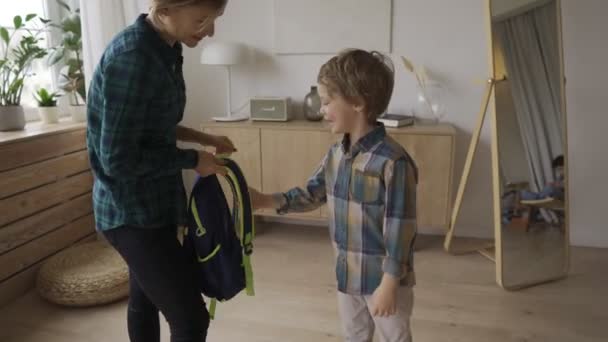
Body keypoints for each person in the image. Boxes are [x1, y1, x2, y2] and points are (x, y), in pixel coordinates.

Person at [86, 1, 234, 341]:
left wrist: (202, 137)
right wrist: (193, 160)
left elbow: (152, 125)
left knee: (145, 299)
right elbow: (118, 159)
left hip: (155, 204)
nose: (210, 31)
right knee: (191, 319)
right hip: (130, 212)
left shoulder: (166, 47)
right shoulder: (133, 58)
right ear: (166, 9)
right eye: (201, 20)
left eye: (214, 20)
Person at [250, 49, 418, 342]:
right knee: (354, 335)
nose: (322, 109)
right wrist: (265, 200)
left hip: (385, 281)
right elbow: (312, 194)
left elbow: (400, 229)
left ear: (357, 102)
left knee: (395, 337)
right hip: (347, 275)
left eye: (328, 101)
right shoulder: (335, 155)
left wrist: (390, 283)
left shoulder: (393, 162)